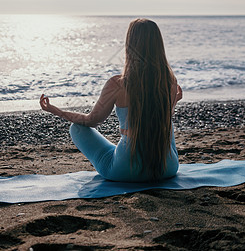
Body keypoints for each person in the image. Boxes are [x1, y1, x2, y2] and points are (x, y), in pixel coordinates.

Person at [40, 18, 183, 182]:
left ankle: (125, 150)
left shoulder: (118, 84)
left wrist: (57, 111)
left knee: (77, 129)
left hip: (125, 171)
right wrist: (172, 103)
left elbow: (92, 121)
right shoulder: (170, 81)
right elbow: (160, 121)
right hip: (167, 169)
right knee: (166, 124)